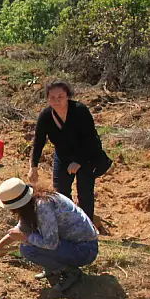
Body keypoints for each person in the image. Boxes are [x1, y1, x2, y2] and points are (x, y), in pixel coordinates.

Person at [0, 178, 99, 293]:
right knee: (29, 243)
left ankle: (69, 272)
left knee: (28, 249)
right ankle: (54, 267)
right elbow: (21, 228)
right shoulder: (34, 201)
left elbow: (50, 243)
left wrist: (26, 237)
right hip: (72, 244)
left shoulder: (43, 207)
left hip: (85, 249)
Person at [28, 80, 108, 221]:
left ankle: (87, 227)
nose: (56, 100)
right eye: (52, 97)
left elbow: (91, 139)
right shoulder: (46, 116)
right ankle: (70, 222)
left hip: (87, 155)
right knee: (61, 192)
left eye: (60, 97)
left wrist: (79, 162)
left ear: (67, 96)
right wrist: (33, 167)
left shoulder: (79, 110)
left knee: (84, 193)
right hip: (63, 156)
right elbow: (39, 141)